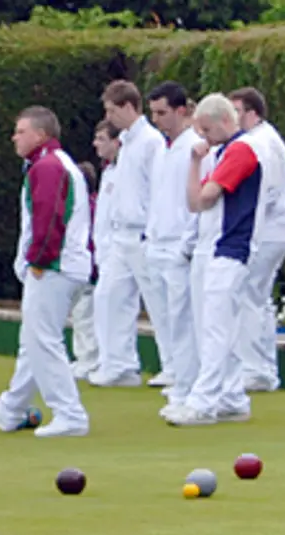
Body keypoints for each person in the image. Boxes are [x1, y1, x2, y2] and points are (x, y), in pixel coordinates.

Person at [167, 93, 285, 427]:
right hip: (219, 248)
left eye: (206, 129)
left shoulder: (242, 150)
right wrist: (195, 163)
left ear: (224, 120)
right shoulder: (225, 152)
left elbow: (204, 198)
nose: (203, 137)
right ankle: (231, 397)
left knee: (216, 329)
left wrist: (196, 164)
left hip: (230, 248)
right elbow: (195, 202)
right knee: (218, 327)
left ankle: (203, 402)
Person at [0, 106, 96, 437]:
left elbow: (49, 218)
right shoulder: (51, 164)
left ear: (41, 135)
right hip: (63, 264)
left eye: (21, 131)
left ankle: (70, 414)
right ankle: (12, 407)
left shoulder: (48, 167)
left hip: (55, 266)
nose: (14, 138)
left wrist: (39, 261)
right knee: (33, 340)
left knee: (43, 339)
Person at [90, 80, 164, 389]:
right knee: (108, 296)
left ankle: (174, 367)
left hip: (143, 234)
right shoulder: (127, 143)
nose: (109, 117)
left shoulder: (151, 141)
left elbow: (158, 189)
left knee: (158, 304)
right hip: (121, 235)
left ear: (129, 107)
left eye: (112, 110)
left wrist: (153, 230)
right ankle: (118, 365)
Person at [145, 82, 205, 416]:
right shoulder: (163, 149)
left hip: (180, 247)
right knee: (168, 320)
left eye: (162, 113)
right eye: (153, 113)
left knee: (184, 321)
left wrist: (187, 244)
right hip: (157, 244)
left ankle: (188, 387)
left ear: (181, 110)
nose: (156, 120)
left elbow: (196, 202)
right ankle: (179, 379)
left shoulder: (195, 147)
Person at [228, 88, 285, 393]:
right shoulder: (264, 139)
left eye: (236, 112)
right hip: (270, 230)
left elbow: (269, 191)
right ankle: (262, 368)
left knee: (248, 296)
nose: (231, 118)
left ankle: (255, 369)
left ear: (252, 113)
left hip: (265, 232)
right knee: (258, 298)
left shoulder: (261, 143)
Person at [70, 122, 120, 382]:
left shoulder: (89, 204)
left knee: (88, 313)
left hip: (97, 263)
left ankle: (92, 359)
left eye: (101, 138)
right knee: (84, 312)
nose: (95, 143)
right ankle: (89, 359)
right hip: (97, 259)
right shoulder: (108, 172)